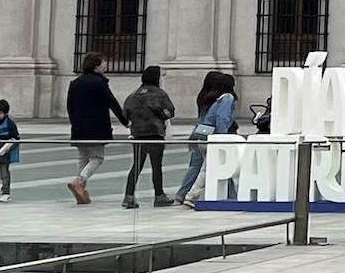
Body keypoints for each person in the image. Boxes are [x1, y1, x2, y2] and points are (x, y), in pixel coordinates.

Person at [66, 53, 128, 205]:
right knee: (97, 158)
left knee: (83, 158)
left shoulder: (75, 83)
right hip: (96, 127)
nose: (105, 65)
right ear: (95, 65)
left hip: (79, 127)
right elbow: (112, 103)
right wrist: (125, 121)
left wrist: (75, 122)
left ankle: (81, 192)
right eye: (103, 63)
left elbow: (70, 106)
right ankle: (79, 181)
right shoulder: (99, 83)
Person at [177, 72, 237, 208]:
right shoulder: (227, 98)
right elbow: (222, 118)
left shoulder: (213, 99)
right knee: (208, 169)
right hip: (213, 138)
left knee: (217, 167)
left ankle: (232, 196)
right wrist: (223, 135)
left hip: (202, 137)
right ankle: (191, 196)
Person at [121, 65, 175, 209]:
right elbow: (170, 112)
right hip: (155, 133)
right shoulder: (160, 94)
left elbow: (125, 115)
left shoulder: (133, 95)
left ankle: (129, 196)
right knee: (156, 166)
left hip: (138, 133)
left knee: (136, 165)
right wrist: (161, 115)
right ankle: (159, 195)